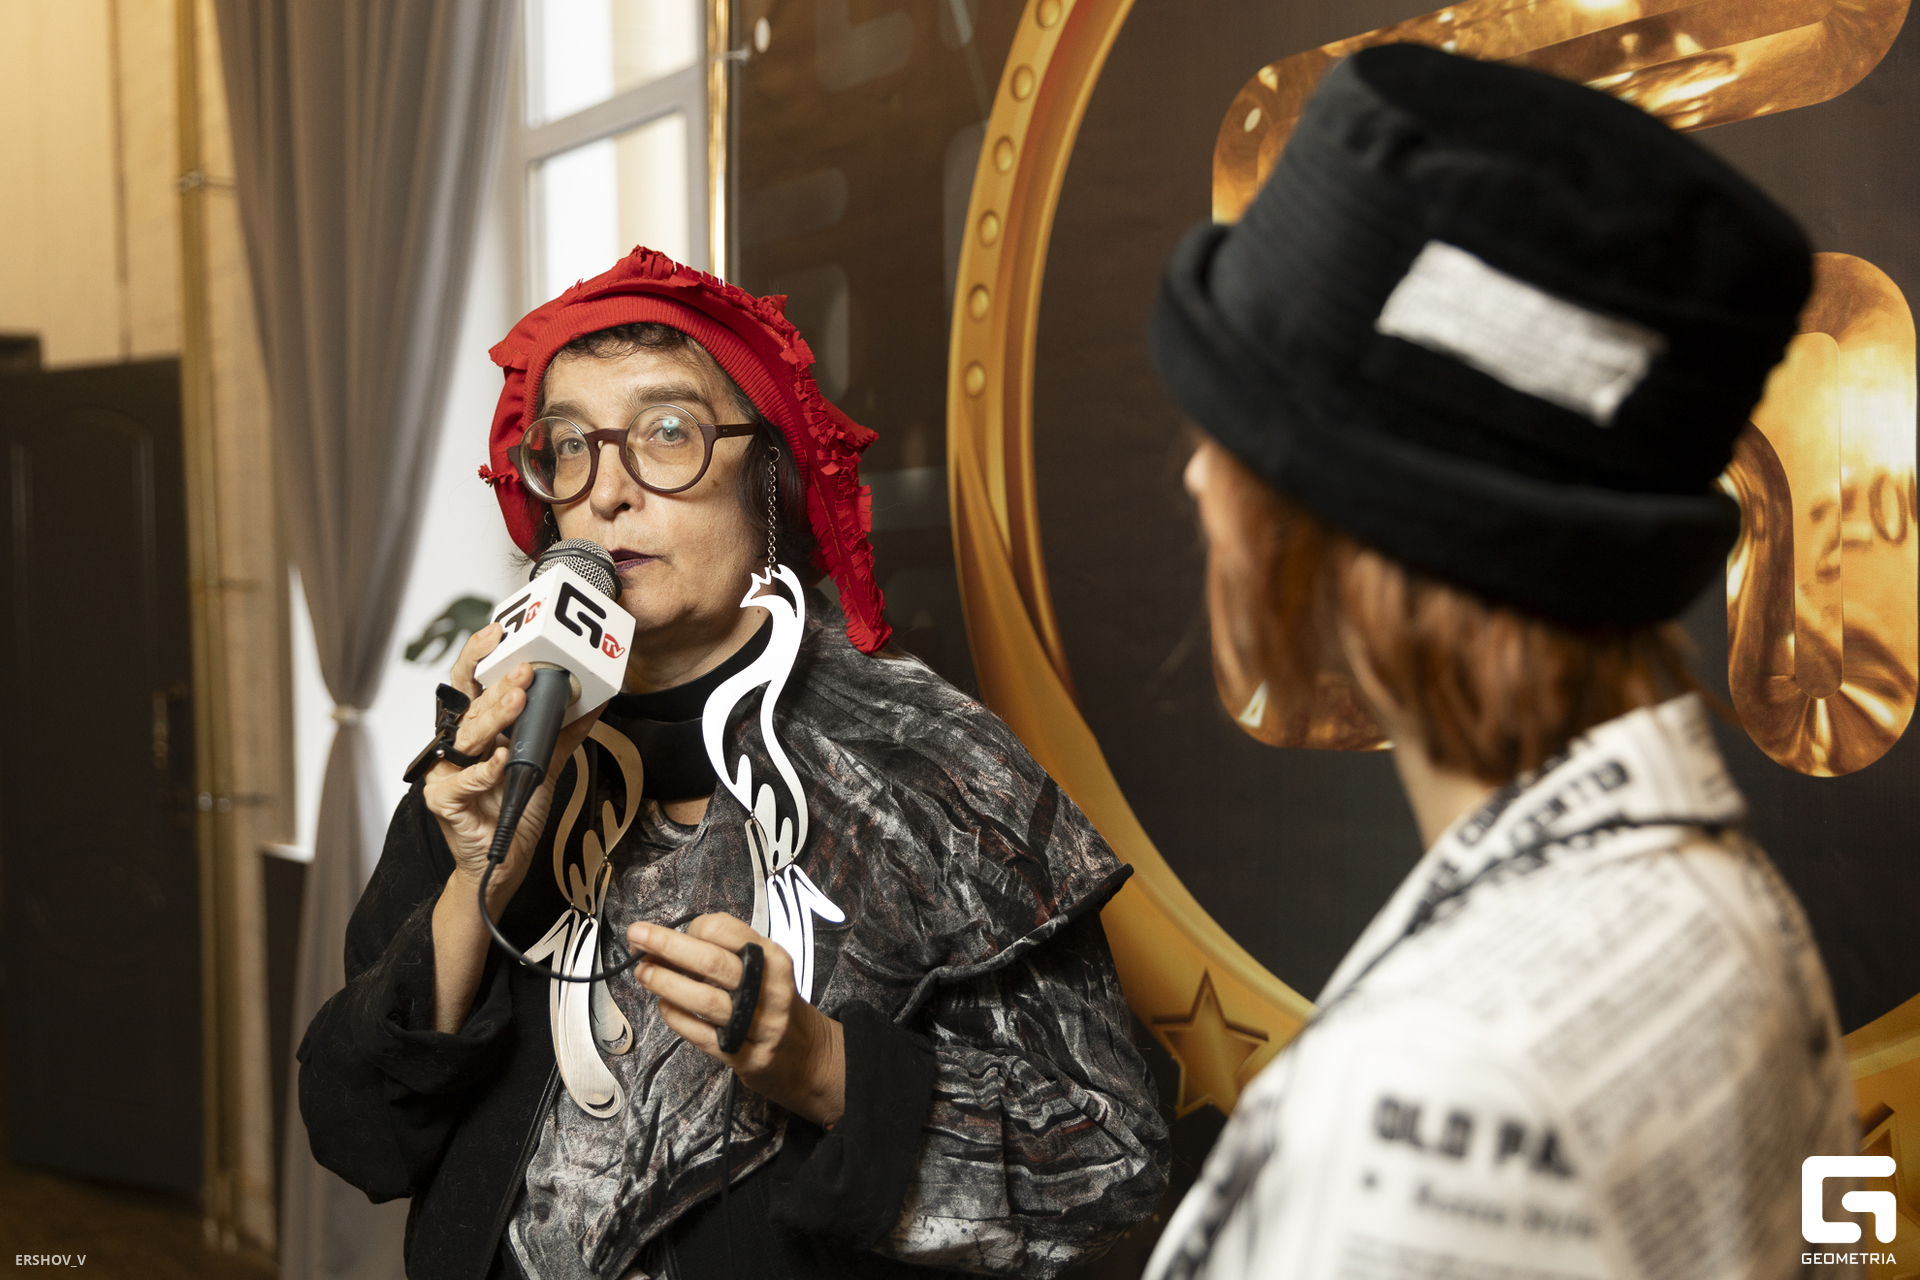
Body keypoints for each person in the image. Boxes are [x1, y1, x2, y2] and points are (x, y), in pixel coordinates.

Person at [296, 247, 1168, 1280]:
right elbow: (357, 1133)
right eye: (568, 447)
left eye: (668, 432)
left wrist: (819, 1064)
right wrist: (474, 883)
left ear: (770, 478)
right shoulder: (500, 742)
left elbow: (1108, 1167)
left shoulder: (930, 764)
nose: (607, 491)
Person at [1141, 45, 1861, 1280]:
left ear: (1365, 533)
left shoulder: (1432, 1097)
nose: (1202, 478)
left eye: (1242, 435)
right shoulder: (1726, 900)